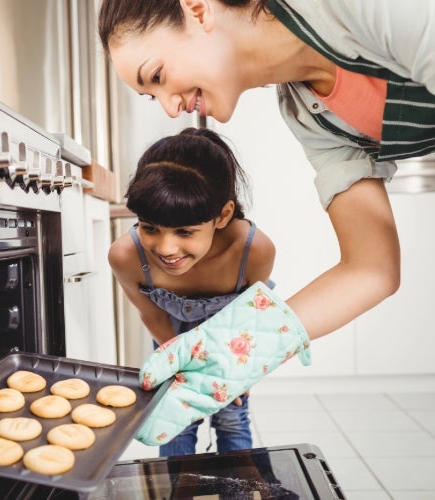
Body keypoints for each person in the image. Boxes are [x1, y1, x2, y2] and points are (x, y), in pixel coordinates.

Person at [98, 0, 435, 342]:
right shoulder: (308, 115)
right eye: (153, 96)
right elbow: (372, 269)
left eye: (157, 76)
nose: (171, 109)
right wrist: (237, 353)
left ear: (198, 10)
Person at [108, 127, 276, 455]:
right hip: (171, 338)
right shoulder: (126, 256)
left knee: (232, 417)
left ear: (222, 216)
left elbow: (252, 318)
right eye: (150, 227)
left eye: (185, 231)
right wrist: (180, 368)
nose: (166, 248)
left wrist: (236, 373)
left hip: (232, 343)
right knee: (173, 422)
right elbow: (152, 314)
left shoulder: (253, 250)